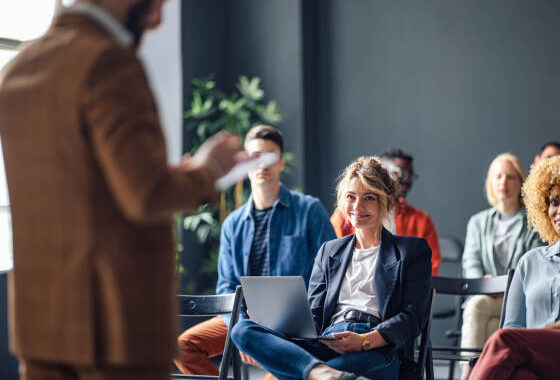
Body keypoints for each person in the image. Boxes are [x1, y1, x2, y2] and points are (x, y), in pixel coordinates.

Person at [0, 1, 246, 379]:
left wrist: (163, 174)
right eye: (155, 4)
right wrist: (207, 170)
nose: (158, 18)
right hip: (113, 330)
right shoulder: (108, 63)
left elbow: (79, 187)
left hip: (41, 327)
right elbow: (147, 196)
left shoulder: (19, 68)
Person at [230, 156, 432, 380]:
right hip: (327, 341)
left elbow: (412, 318)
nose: (357, 207)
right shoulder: (330, 251)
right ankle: (320, 373)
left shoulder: (412, 251)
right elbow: (314, 316)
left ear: (385, 201)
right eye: (350, 197)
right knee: (242, 329)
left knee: (304, 370)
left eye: (369, 198)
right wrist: (275, 326)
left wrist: (365, 341)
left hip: (376, 347)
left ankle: (314, 372)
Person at [174, 125, 336, 376]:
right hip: (242, 320)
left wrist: (304, 319)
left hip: (293, 324)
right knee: (184, 346)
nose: (262, 164)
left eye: (269, 156)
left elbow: (330, 273)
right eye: (254, 156)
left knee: (280, 369)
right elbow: (227, 286)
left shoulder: (309, 210)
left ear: (281, 163)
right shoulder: (232, 224)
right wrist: (243, 328)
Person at [470, 152, 560, 380]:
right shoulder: (530, 261)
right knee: (520, 376)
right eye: (554, 201)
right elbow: (513, 325)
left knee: (503, 340)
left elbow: (508, 337)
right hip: (537, 356)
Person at [460, 153, 542, 380]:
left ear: (521, 182)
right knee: (483, 312)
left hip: (518, 297)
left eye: (510, 177)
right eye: (497, 177)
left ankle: (468, 376)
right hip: (485, 295)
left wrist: (503, 285)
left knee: (479, 311)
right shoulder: (477, 222)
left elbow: (532, 263)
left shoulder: (534, 222)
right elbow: (471, 262)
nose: (502, 183)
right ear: (490, 182)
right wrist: (485, 283)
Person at [330, 148, 441, 275]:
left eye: (410, 175)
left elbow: (430, 268)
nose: (407, 180)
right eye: (401, 173)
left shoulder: (421, 220)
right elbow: (334, 260)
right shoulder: (348, 214)